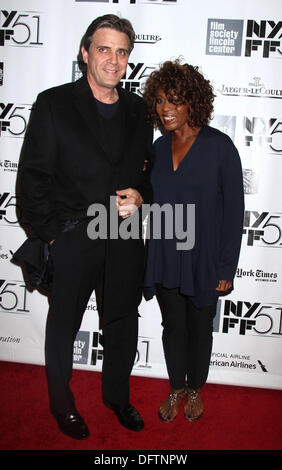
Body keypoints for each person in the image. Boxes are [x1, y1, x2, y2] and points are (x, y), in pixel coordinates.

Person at [19, 14, 153, 439]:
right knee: (63, 326)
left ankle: (116, 396)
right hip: (74, 236)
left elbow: (144, 173)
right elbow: (32, 181)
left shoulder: (138, 109)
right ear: (85, 52)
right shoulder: (53, 103)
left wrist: (142, 195)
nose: (113, 60)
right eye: (103, 49)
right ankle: (62, 405)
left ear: (128, 58)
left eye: (122, 52)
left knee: (122, 324)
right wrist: (56, 236)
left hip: (126, 237)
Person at [143, 60, 244, 423]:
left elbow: (234, 213)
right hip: (166, 254)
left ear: (193, 102)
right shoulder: (156, 148)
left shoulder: (220, 147)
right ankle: (176, 388)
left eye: (174, 100)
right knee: (173, 326)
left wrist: (225, 268)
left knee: (200, 328)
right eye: (158, 101)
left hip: (204, 258)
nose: (165, 109)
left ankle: (196, 389)